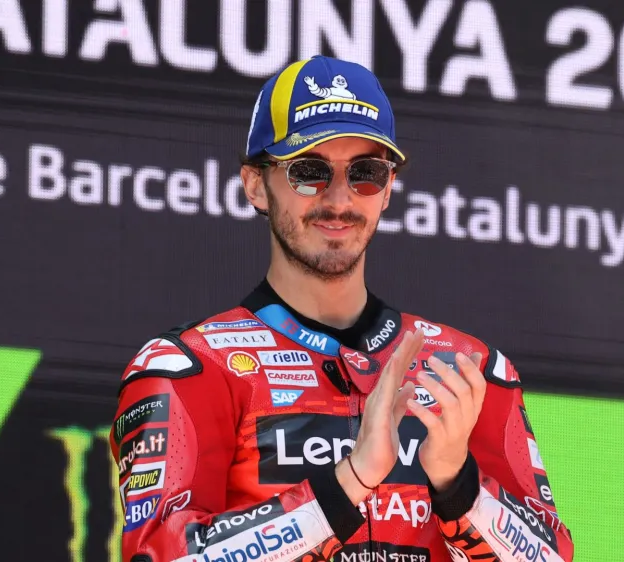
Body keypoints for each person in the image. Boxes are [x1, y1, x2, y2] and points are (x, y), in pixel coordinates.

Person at [110, 55, 574, 562]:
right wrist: (348, 482)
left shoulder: (469, 368)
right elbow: (158, 555)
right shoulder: (189, 369)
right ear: (254, 184)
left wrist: (457, 482)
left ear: (388, 188)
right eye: (308, 172)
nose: (338, 199)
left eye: (366, 173)